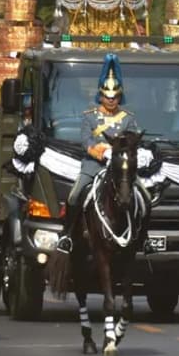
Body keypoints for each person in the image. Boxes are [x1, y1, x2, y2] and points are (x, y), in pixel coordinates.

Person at [56, 54, 142, 254]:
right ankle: (67, 236)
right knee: (74, 195)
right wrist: (102, 153)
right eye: (107, 96)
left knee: (143, 195)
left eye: (115, 97)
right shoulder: (89, 116)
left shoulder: (128, 118)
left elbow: (134, 139)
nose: (111, 101)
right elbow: (86, 141)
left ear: (120, 96)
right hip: (94, 165)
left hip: (121, 167)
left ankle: (142, 236)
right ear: (100, 96)